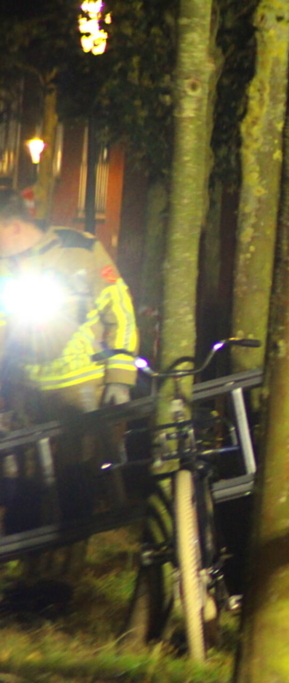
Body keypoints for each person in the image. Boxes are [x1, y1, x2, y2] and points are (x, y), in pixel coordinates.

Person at [0, 188, 137, 601]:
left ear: (13, 226)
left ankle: (66, 572)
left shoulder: (81, 250)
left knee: (75, 478)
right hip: (23, 386)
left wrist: (119, 377)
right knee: (20, 482)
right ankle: (27, 572)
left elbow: (121, 312)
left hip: (80, 385)